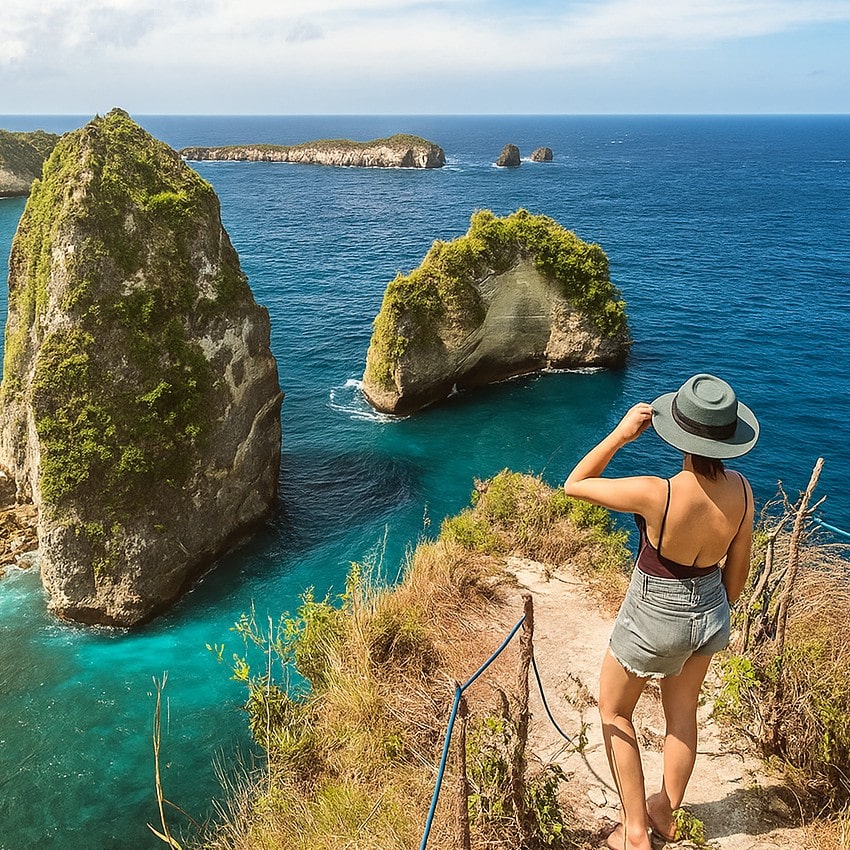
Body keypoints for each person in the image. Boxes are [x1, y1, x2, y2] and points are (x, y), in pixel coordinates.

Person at [563, 374, 758, 850]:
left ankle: (634, 833)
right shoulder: (743, 491)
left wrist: (620, 435)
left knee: (614, 711)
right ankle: (665, 813)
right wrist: (709, 609)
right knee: (683, 713)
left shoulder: (658, 492)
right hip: (711, 610)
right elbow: (737, 575)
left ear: (679, 434)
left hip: (654, 615)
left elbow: (575, 484)